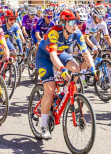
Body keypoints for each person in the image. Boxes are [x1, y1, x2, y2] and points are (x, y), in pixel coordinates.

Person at [35, 9, 92, 139]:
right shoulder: (55, 32)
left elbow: (86, 53)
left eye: (76, 22)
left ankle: (65, 93)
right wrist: (62, 69)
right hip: (45, 56)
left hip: (60, 54)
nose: (75, 25)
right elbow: (53, 55)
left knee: (76, 69)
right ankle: (43, 126)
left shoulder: (77, 33)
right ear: (63, 23)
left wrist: (93, 69)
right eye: (71, 22)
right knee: (49, 90)